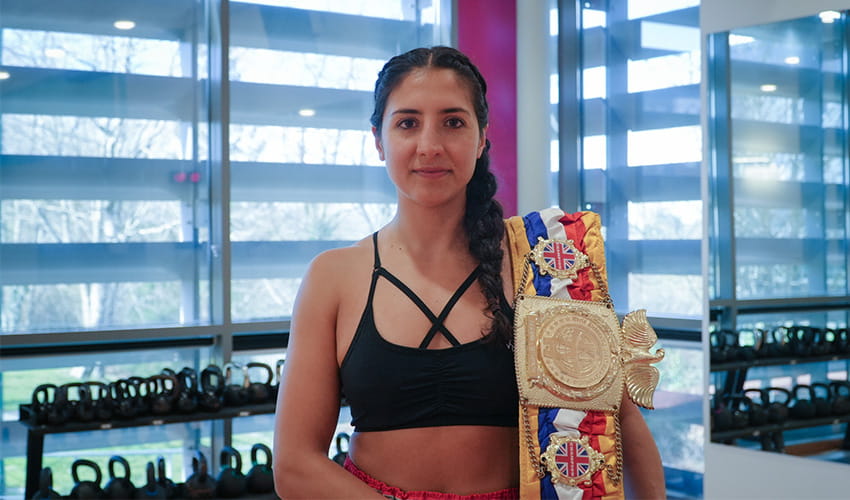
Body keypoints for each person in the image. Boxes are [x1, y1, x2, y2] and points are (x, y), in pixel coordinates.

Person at [273, 46, 665, 500]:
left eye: (453, 122)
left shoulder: (546, 262)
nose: (430, 145)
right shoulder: (333, 276)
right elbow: (295, 465)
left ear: (481, 140)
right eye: (407, 123)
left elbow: (617, 421)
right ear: (379, 141)